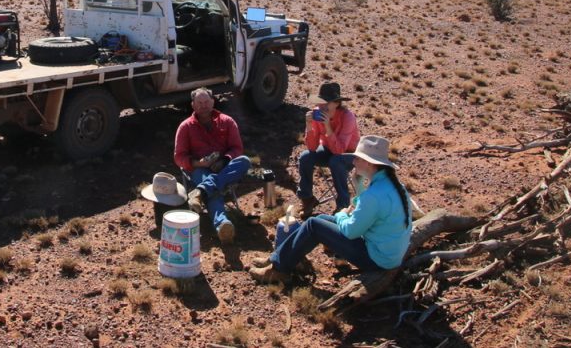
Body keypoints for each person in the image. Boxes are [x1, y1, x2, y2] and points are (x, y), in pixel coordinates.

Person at [250, 135, 412, 283]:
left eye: (357, 158)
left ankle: (278, 270)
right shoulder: (394, 186)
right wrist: (358, 186)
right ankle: (281, 258)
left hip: (376, 259)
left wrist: (341, 215)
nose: (353, 162)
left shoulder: (374, 196)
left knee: (313, 224)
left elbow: (351, 231)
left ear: (369, 163)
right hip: (389, 253)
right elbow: (367, 209)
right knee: (320, 220)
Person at [174, 87, 251, 244]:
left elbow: (237, 148)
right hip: (199, 168)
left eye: (206, 102)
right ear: (193, 105)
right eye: (199, 102)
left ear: (213, 102)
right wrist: (198, 163)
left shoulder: (227, 122)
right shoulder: (185, 127)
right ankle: (222, 224)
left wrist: (224, 160)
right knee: (211, 184)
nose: (203, 105)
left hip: (224, 166)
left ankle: (200, 192)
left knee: (244, 161)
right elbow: (179, 156)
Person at [297, 82, 360, 217]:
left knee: (336, 161)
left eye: (327, 102)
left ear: (337, 103)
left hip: (350, 155)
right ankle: (307, 199)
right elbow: (312, 147)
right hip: (328, 151)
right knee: (305, 157)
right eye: (320, 102)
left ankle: (343, 206)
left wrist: (327, 127)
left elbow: (340, 150)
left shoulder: (348, 117)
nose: (322, 106)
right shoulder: (316, 114)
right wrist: (309, 126)